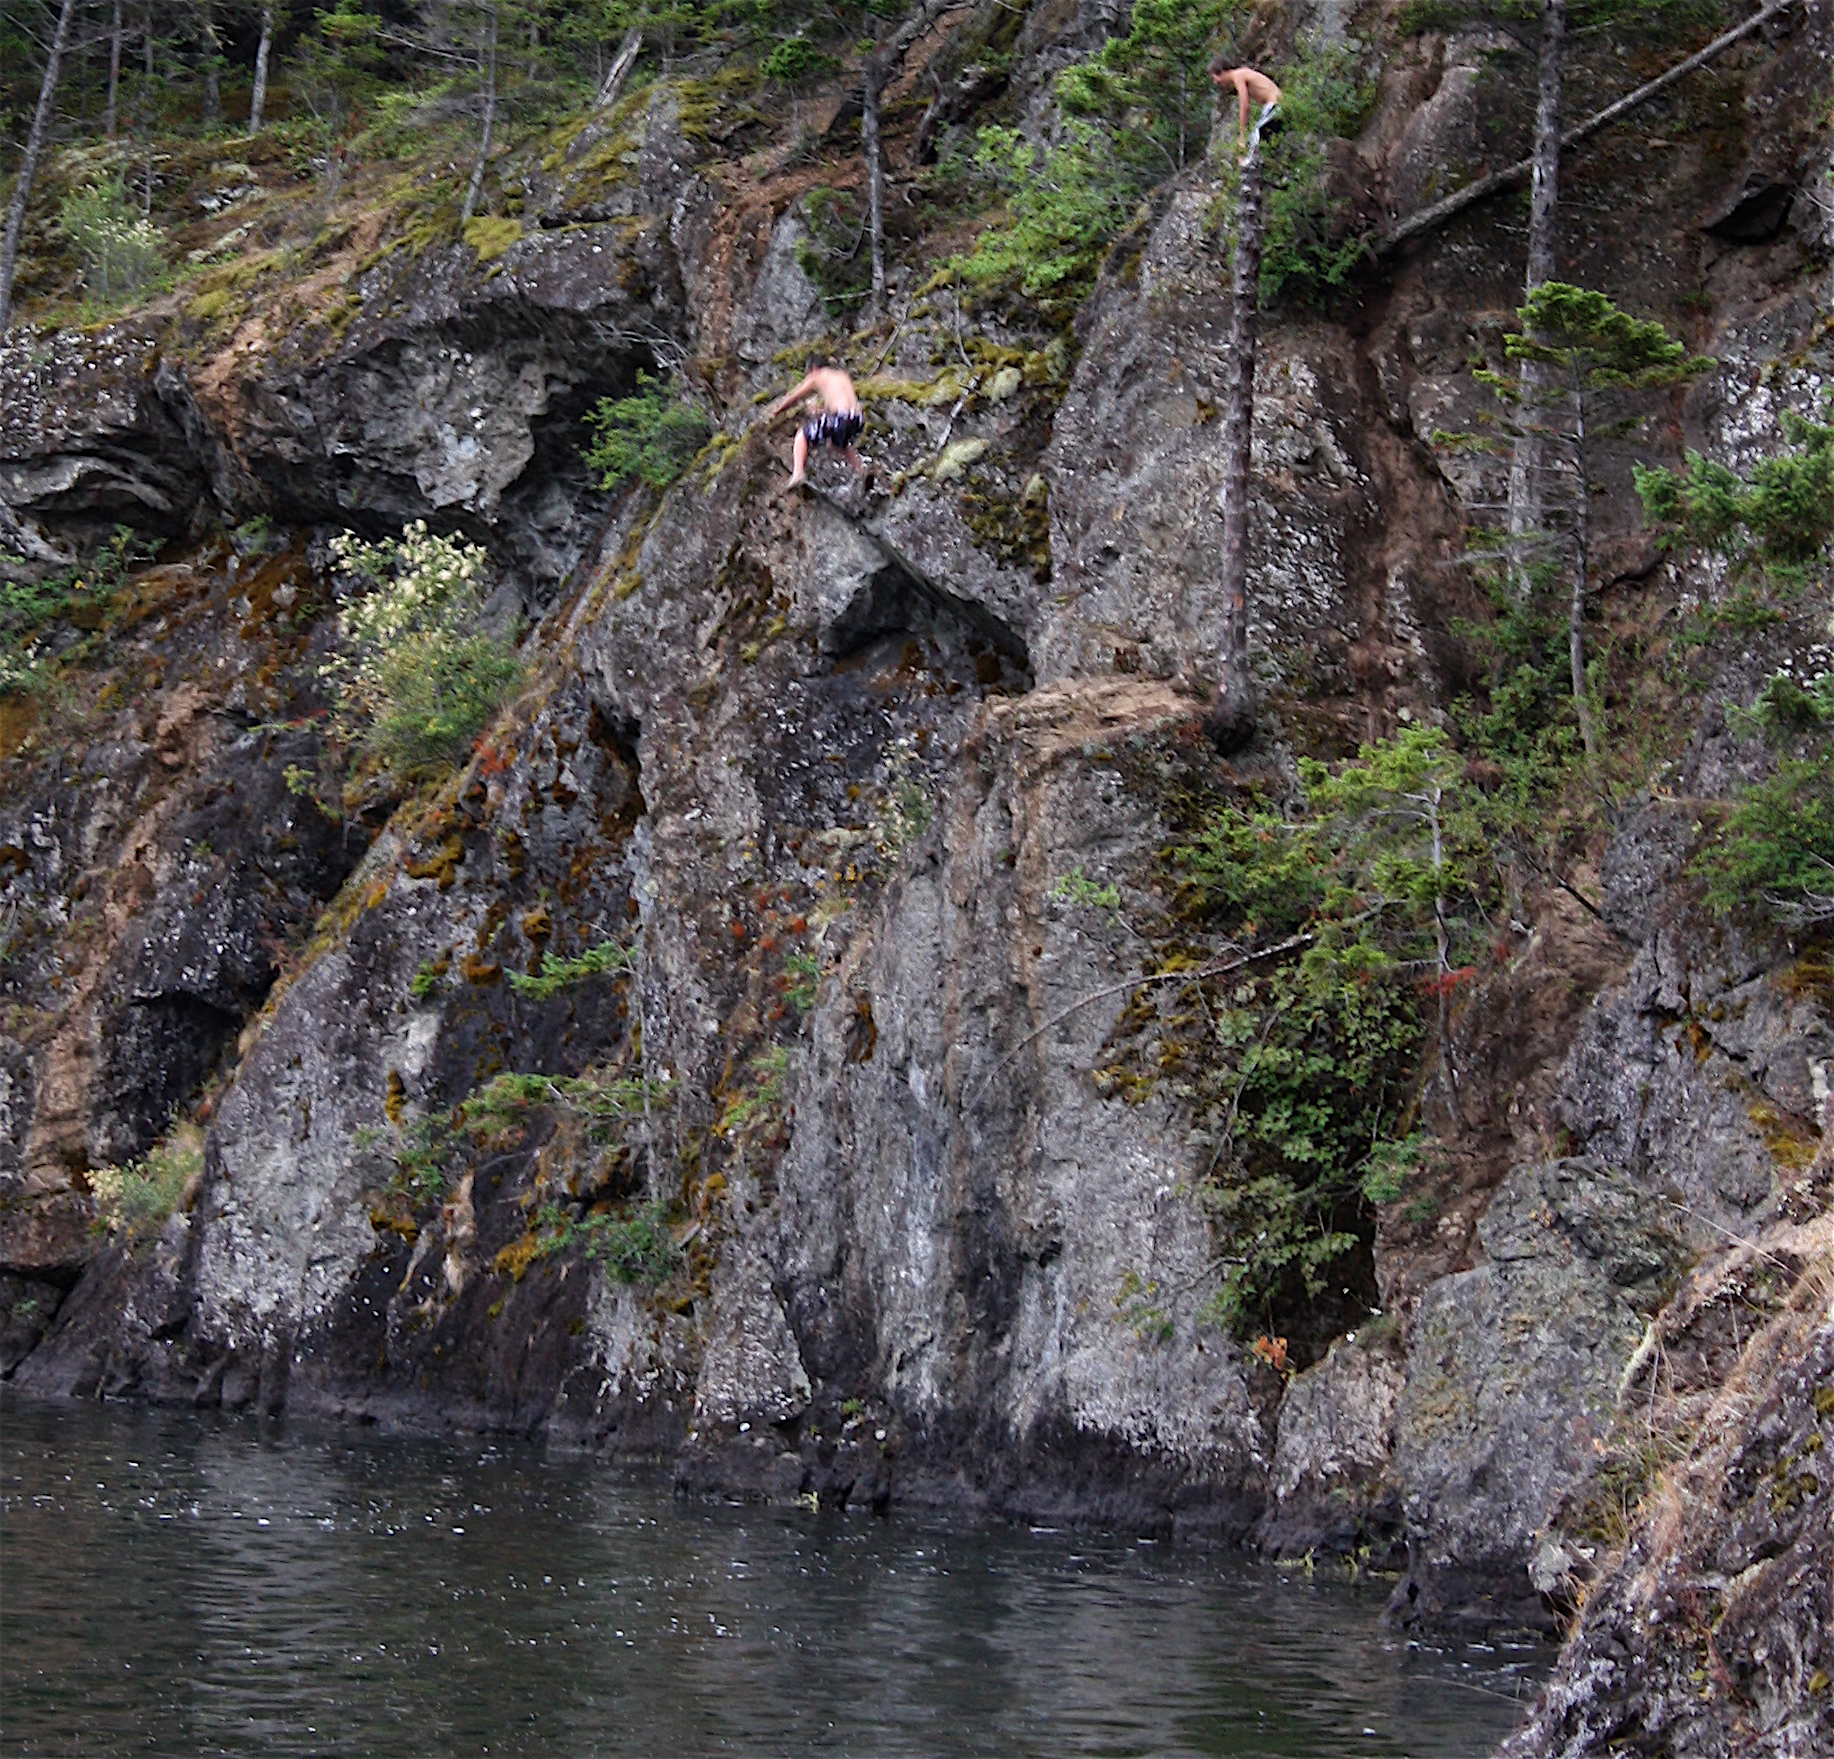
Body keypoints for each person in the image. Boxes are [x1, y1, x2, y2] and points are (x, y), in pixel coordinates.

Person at [765, 362, 866, 489]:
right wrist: (819, 410)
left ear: (813, 369)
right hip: (858, 418)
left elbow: (794, 396)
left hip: (841, 417)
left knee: (802, 435)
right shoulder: (841, 375)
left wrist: (777, 411)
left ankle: (798, 473)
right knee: (838, 444)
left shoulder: (817, 375)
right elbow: (839, 404)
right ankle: (861, 470)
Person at [1209, 61, 1282, 163]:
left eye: (1214, 78)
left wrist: (1242, 136)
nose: (1215, 82)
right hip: (1275, 106)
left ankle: (1247, 168)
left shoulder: (1238, 75)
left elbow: (1245, 106)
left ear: (1222, 72)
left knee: (1256, 137)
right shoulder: (1242, 74)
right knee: (1263, 139)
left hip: (1276, 106)